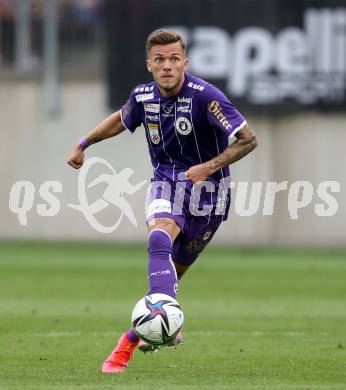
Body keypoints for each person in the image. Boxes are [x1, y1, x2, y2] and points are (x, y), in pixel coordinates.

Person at [67, 29, 258, 373]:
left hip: (209, 196)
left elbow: (247, 139)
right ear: (149, 65)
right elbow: (121, 119)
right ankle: (125, 347)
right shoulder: (142, 96)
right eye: (160, 60)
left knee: (172, 279)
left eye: (174, 59)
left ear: (185, 62)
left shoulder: (205, 96)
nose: (167, 66)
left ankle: (159, 326)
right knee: (158, 236)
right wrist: (84, 143)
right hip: (166, 182)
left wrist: (208, 167)